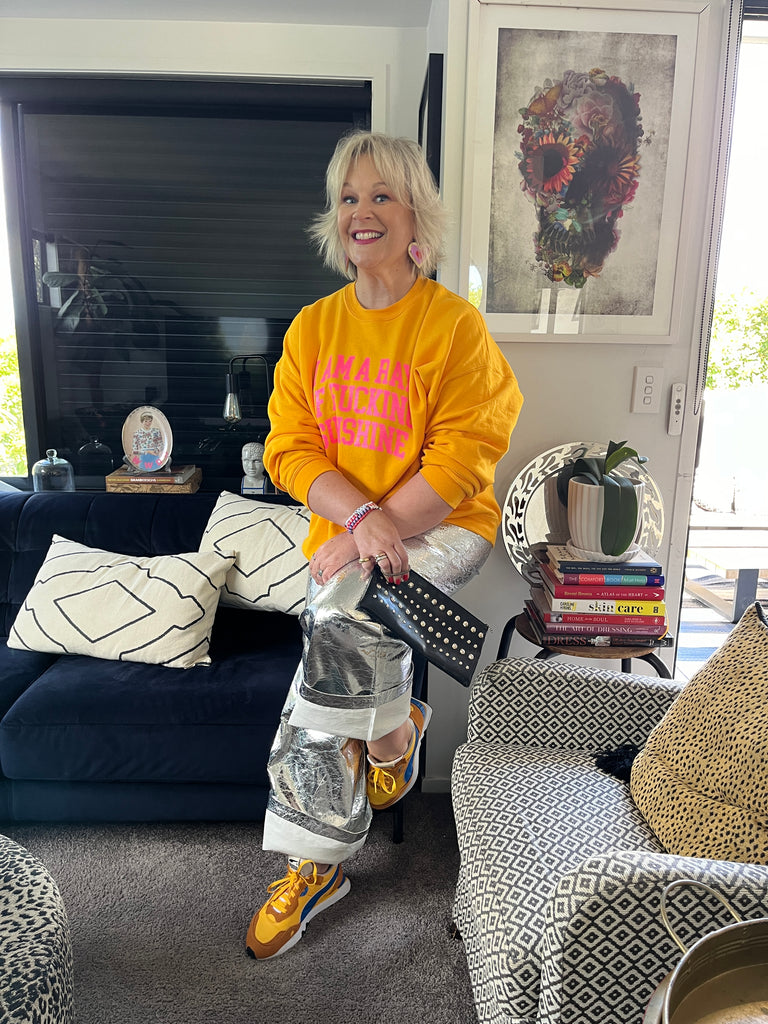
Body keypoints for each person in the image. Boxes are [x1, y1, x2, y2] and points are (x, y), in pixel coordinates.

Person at [246, 130, 523, 960]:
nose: (362, 211)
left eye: (381, 196)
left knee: (337, 612)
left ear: (413, 217)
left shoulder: (453, 327)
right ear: (337, 222)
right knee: (335, 649)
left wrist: (376, 526)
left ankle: (318, 860)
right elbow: (288, 449)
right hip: (352, 539)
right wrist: (361, 523)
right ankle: (393, 733)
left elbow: (466, 454)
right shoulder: (313, 328)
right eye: (348, 197)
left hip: (444, 530)